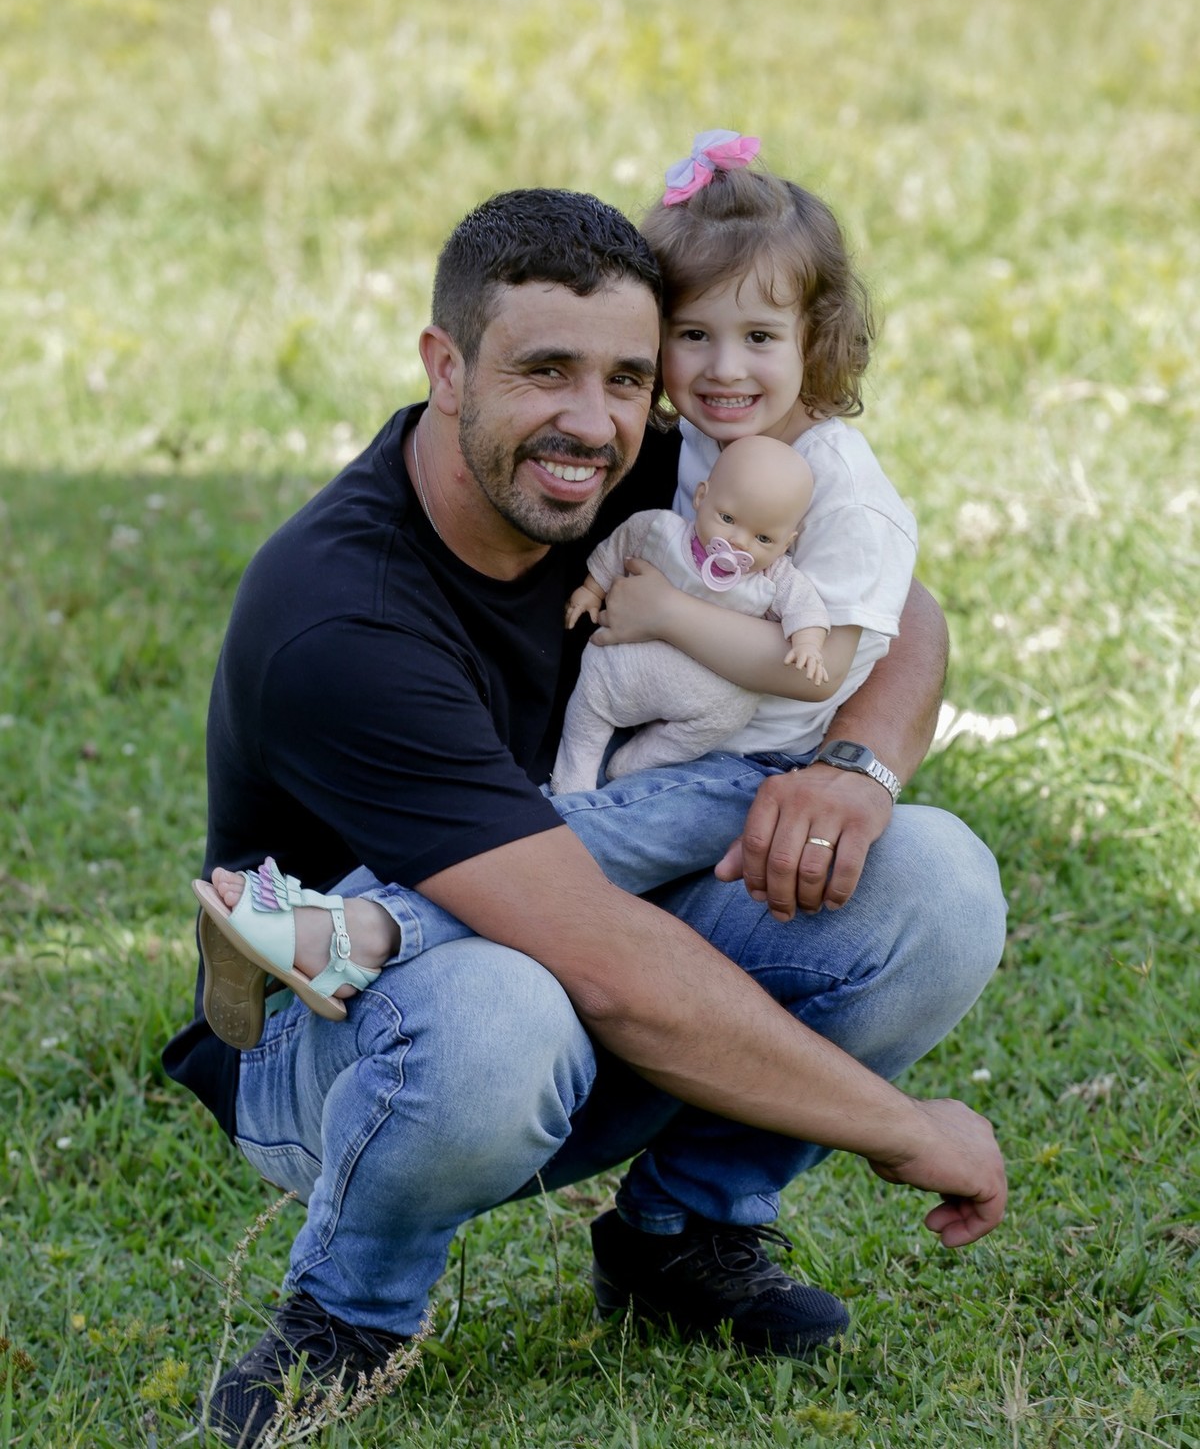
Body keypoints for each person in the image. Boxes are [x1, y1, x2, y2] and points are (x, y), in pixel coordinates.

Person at [163, 187, 1007, 1448]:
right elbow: (605, 963)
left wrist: (853, 767)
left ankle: (682, 1235)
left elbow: (904, 612)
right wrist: (906, 1130)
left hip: (594, 952)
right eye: (544, 371)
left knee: (933, 881)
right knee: (501, 1010)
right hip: (343, 1037)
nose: (591, 421)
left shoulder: (660, 467)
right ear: (446, 367)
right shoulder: (340, 617)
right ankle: (348, 1316)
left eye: (626, 378)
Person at [547, 128, 920, 908]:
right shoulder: (701, 438)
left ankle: (374, 919)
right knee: (561, 818)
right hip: (653, 721)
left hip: (750, 770)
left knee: (562, 852)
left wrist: (666, 613)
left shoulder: (845, 493)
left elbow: (812, 669)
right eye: (693, 335)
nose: (724, 369)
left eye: (759, 337)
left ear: (814, 338)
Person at [550, 433, 831, 794]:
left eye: (764, 539)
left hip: (703, 700)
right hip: (621, 671)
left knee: (729, 715)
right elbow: (618, 547)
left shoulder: (775, 577)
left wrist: (808, 642)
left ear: (787, 542)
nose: (739, 542)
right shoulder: (660, 529)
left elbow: (805, 607)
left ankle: (636, 761)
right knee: (589, 703)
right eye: (727, 518)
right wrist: (592, 589)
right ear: (701, 497)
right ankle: (572, 781)